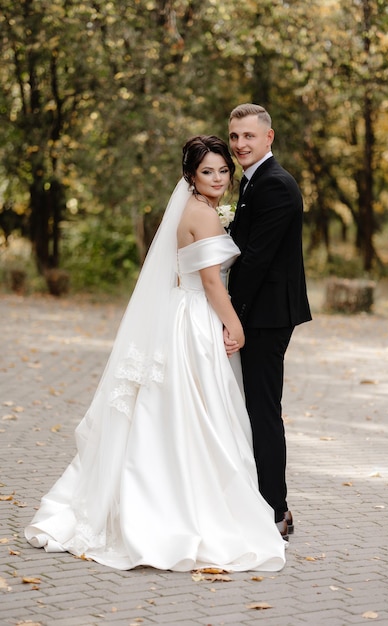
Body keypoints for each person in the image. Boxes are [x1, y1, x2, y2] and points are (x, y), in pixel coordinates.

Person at [25, 135, 286, 572]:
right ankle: (183, 506)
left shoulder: (198, 209)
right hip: (196, 316)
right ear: (190, 176)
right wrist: (235, 325)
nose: (219, 178)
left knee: (187, 410)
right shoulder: (201, 215)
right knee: (197, 411)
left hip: (183, 313)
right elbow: (209, 282)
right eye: (208, 171)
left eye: (224, 170)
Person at [226, 104, 312, 540]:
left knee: (263, 411)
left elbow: (256, 260)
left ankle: (276, 512)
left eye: (249, 136)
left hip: (265, 316)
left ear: (269, 138)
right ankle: (266, 502)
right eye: (235, 136)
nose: (241, 143)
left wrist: (230, 314)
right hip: (257, 312)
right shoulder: (252, 182)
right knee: (254, 409)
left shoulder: (276, 185)